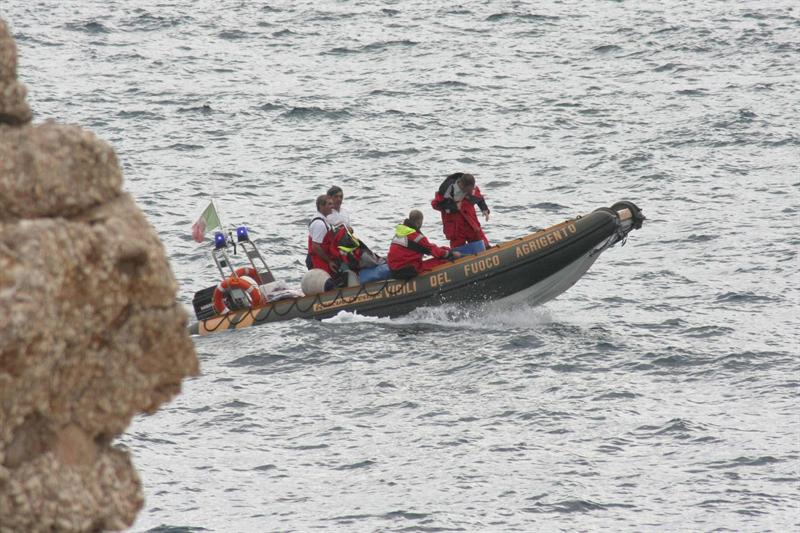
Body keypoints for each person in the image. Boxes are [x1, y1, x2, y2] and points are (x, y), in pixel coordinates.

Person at [388, 209, 460, 279]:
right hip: (407, 269)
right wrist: (450, 254)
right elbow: (433, 250)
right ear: (420, 222)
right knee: (442, 261)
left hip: (394, 268)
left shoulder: (400, 233)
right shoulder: (417, 237)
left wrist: (443, 249)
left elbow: (428, 247)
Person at [431, 172, 490, 249]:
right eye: (469, 190)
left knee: (484, 246)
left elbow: (479, 198)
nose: (471, 191)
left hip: (471, 223)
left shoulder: (472, 188)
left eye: (472, 189)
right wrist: (453, 207)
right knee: (458, 251)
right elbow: (435, 204)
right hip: (455, 227)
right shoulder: (446, 190)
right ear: (462, 186)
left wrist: (484, 209)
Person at [306, 194, 340, 275]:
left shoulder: (323, 219)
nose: (333, 206)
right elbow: (315, 247)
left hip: (320, 258)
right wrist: (329, 261)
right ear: (321, 206)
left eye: (332, 203)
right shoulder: (320, 224)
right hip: (318, 260)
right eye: (329, 204)